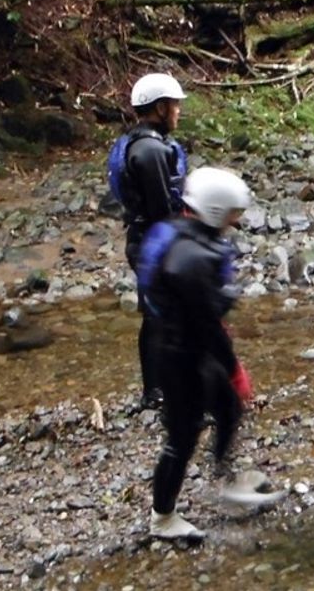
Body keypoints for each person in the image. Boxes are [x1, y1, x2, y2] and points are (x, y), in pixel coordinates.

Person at [140, 166, 262, 540]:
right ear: (214, 211)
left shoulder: (185, 233)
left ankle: (227, 480)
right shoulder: (191, 257)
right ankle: (162, 518)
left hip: (189, 346)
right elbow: (207, 322)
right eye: (232, 214)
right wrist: (234, 367)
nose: (236, 221)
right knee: (183, 434)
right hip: (180, 355)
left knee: (228, 408)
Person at [109, 72, 188, 411]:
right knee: (165, 315)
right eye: (175, 105)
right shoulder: (151, 151)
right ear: (160, 107)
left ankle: (154, 390)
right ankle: (163, 391)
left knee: (155, 315)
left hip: (144, 240)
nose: (178, 112)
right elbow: (161, 208)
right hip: (153, 242)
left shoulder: (139, 143)